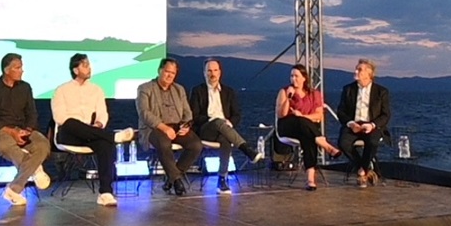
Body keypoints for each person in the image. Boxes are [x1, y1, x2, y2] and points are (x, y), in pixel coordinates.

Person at [50, 53, 135, 206]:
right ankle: (113, 136)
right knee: (71, 122)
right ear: (75, 70)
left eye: (89, 65)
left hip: (90, 133)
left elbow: (102, 113)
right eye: (85, 65)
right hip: (68, 133)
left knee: (105, 144)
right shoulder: (61, 90)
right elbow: (60, 118)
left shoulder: (96, 90)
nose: (89, 68)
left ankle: (105, 192)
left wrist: (99, 124)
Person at [0, 52, 52, 206]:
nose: (21, 71)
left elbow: (32, 114)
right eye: (17, 68)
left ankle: (14, 189)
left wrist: (27, 130)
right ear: (6, 70)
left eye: (21, 67)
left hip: (22, 129)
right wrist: (11, 132)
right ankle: (35, 169)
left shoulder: (25, 88)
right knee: (6, 143)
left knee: (42, 144)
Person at [189, 58, 264, 194]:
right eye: (209, 71)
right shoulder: (197, 91)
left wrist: (230, 122)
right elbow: (195, 117)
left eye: (215, 70)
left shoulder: (229, 92)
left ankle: (222, 179)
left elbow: (236, 115)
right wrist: (215, 120)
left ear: (220, 72)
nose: (212, 74)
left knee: (225, 139)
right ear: (204, 73)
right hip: (206, 129)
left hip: (224, 129)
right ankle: (247, 150)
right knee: (218, 122)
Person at [136, 57, 203, 195]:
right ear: (160, 70)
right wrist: (164, 127)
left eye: (173, 73)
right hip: (154, 128)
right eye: (167, 72)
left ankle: (171, 178)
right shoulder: (145, 88)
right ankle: (177, 181)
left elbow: (187, 112)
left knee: (196, 145)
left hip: (177, 127)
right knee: (164, 143)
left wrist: (185, 126)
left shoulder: (179, 89)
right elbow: (144, 113)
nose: (169, 76)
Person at [275, 63, 341, 191]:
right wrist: (288, 98)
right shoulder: (284, 91)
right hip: (287, 125)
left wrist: (302, 116)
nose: (293, 79)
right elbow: (281, 115)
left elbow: (319, 116)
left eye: (296, 76)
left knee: (308, 136)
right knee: (302, 123)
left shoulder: (314, 94)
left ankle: (311, 179)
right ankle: (326, 145)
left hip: (306, 128)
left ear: (304, 78)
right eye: (291, 76)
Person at [337, 59, 391, 189]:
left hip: (372, 125)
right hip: (354, 124)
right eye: (356, 69)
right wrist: (351, 123)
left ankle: (362, 172)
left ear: (369, 73)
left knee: (372, 142)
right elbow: (341, 111)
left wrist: (372, 125)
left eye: (359, 69)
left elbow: (386, 115)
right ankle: (364, 168)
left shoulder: (381, 91)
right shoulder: (348, 89)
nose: (356, 71)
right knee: (343, 143)